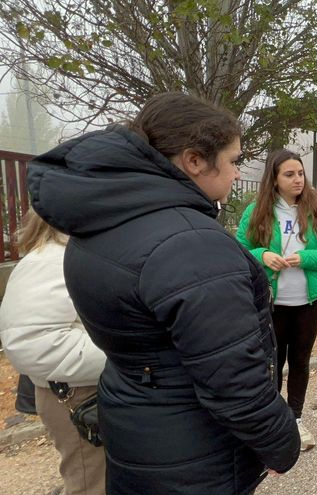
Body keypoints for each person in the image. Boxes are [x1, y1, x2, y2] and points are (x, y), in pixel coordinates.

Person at [27, 92, 300, 494]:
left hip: (136, 429)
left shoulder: (100, 225)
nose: (237, 173)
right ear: (194, 160)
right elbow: (234, 381)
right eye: (233, 160)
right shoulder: (192, 244)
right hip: (196, 452)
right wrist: (281, 446)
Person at [237, 149, 317, 452]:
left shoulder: (316, 209)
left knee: (299, 361)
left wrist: (305, 258)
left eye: (301, 173)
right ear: (274, 179)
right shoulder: (256, 211)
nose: (298, 180)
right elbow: (239, 249)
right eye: (289, 174)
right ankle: (272, 422)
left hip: (309, 304)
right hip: (272, 304)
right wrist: (263, 255)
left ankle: (295, 418)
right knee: (272, 363)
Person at [0, 210, 107, 495]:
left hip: (84, 387)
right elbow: (35, 343)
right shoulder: (51, 260)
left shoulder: (70, 253)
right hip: (78, 393)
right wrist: (131, 354)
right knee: (92, 484)